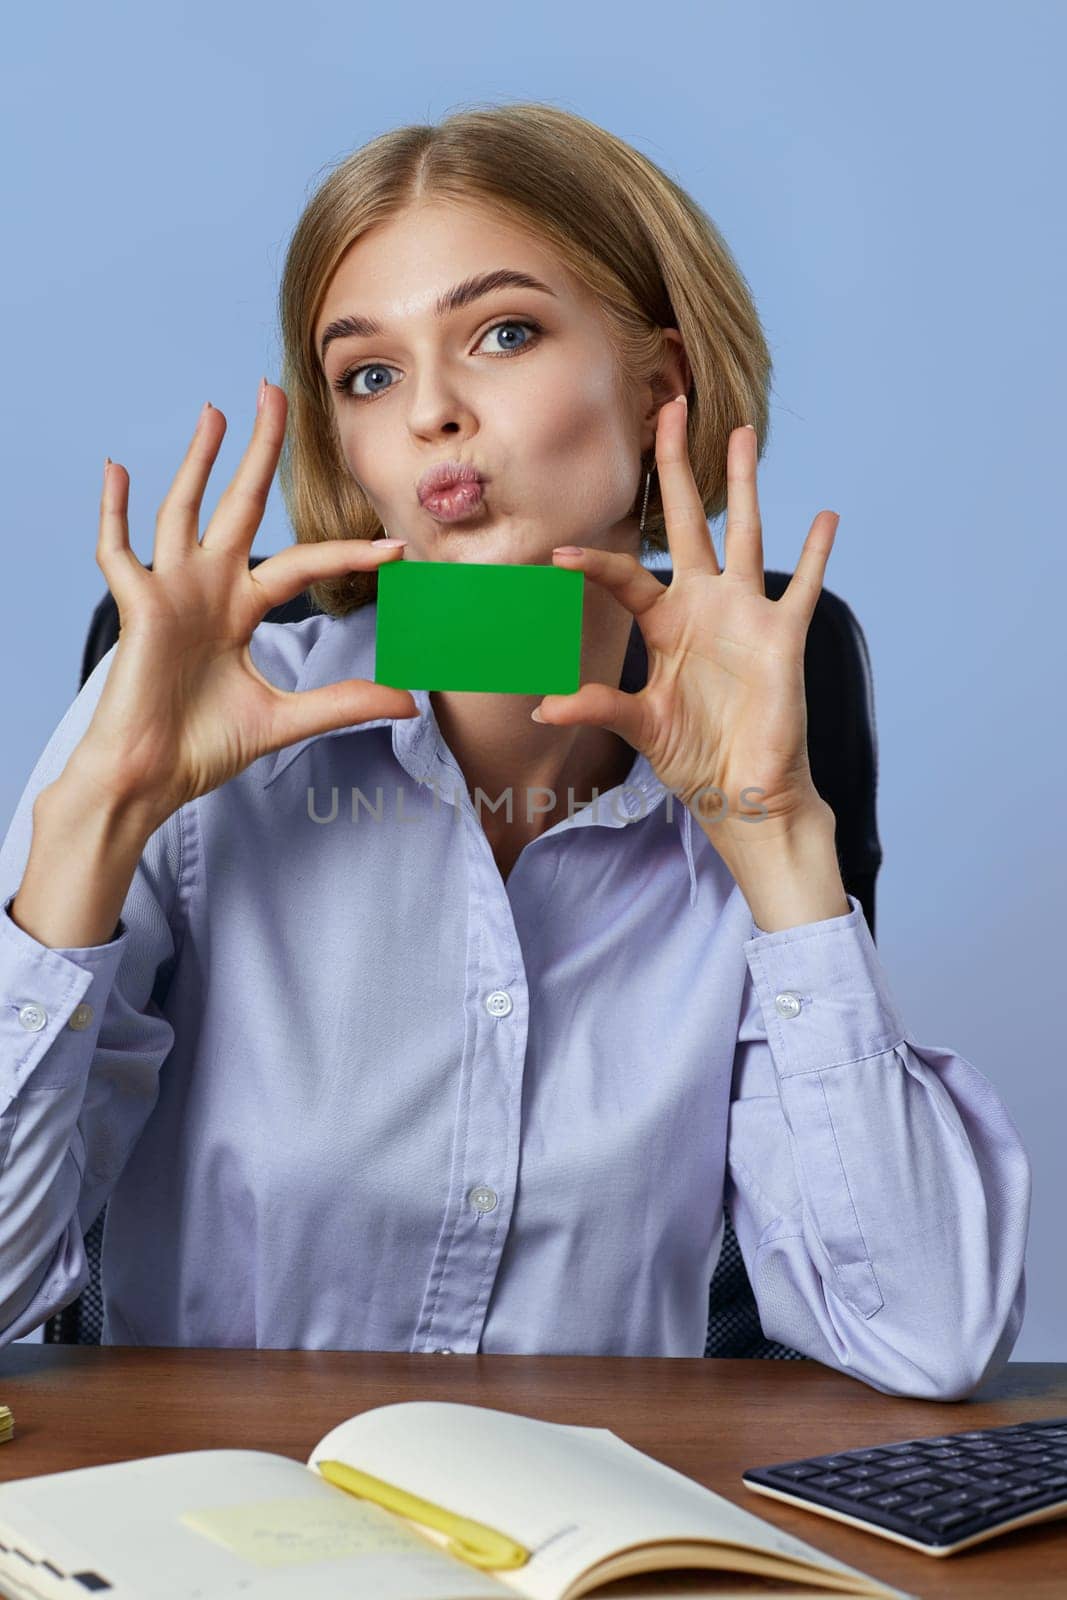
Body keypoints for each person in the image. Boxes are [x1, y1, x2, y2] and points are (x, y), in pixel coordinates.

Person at [0, 103, 1030, 1398]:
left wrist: (773, 837)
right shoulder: (180, 719)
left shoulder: (749, 768)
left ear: (659, 382)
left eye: (503, 332)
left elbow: (931, 1340)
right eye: (367, 372)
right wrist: (92, 825)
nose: (431, 412)